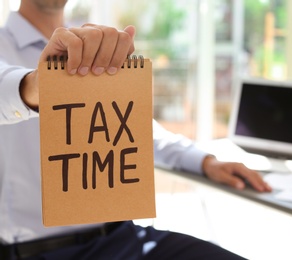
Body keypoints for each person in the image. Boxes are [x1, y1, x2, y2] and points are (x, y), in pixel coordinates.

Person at [0, 1, 272, 259]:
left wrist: (204, 161)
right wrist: (37, 86)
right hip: (40, 252)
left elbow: (130, 129)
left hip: (126, 238)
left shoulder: (91, 43)